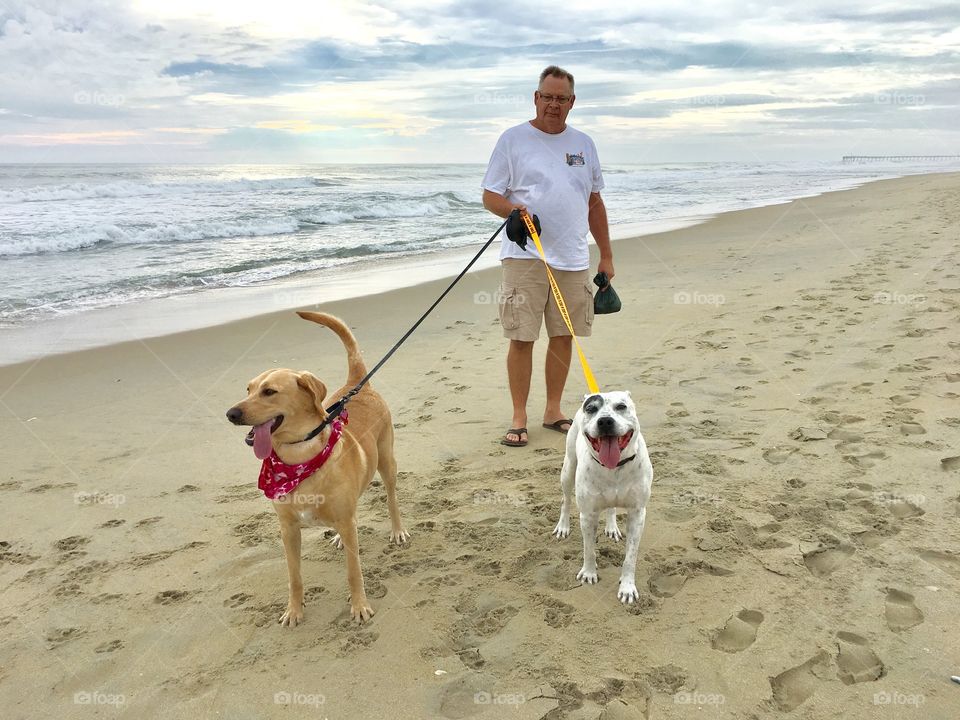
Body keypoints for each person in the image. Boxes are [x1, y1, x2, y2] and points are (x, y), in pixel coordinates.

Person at [481, 65, 614, 447]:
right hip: (525, 257)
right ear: (536, 97)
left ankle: (553, 410)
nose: (553, 104)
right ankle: (519, 416)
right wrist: (513, 213)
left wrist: (606, 255)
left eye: (561, 98)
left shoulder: (584, 144)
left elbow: (594, 202)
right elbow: (490, 194)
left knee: (563, 335)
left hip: (572, 256)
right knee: (521, 336)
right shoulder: (513, 139)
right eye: (547, 96)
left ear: (572, 102)